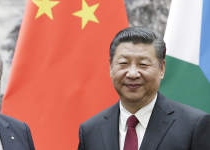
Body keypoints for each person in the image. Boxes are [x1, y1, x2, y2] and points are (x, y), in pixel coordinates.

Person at [78, 27, 210, 150]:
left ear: (162, 68)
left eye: (143, 64)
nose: (132, 73)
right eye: (123, 63)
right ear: (111, 67)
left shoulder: (194, 126)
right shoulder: (90, 131)